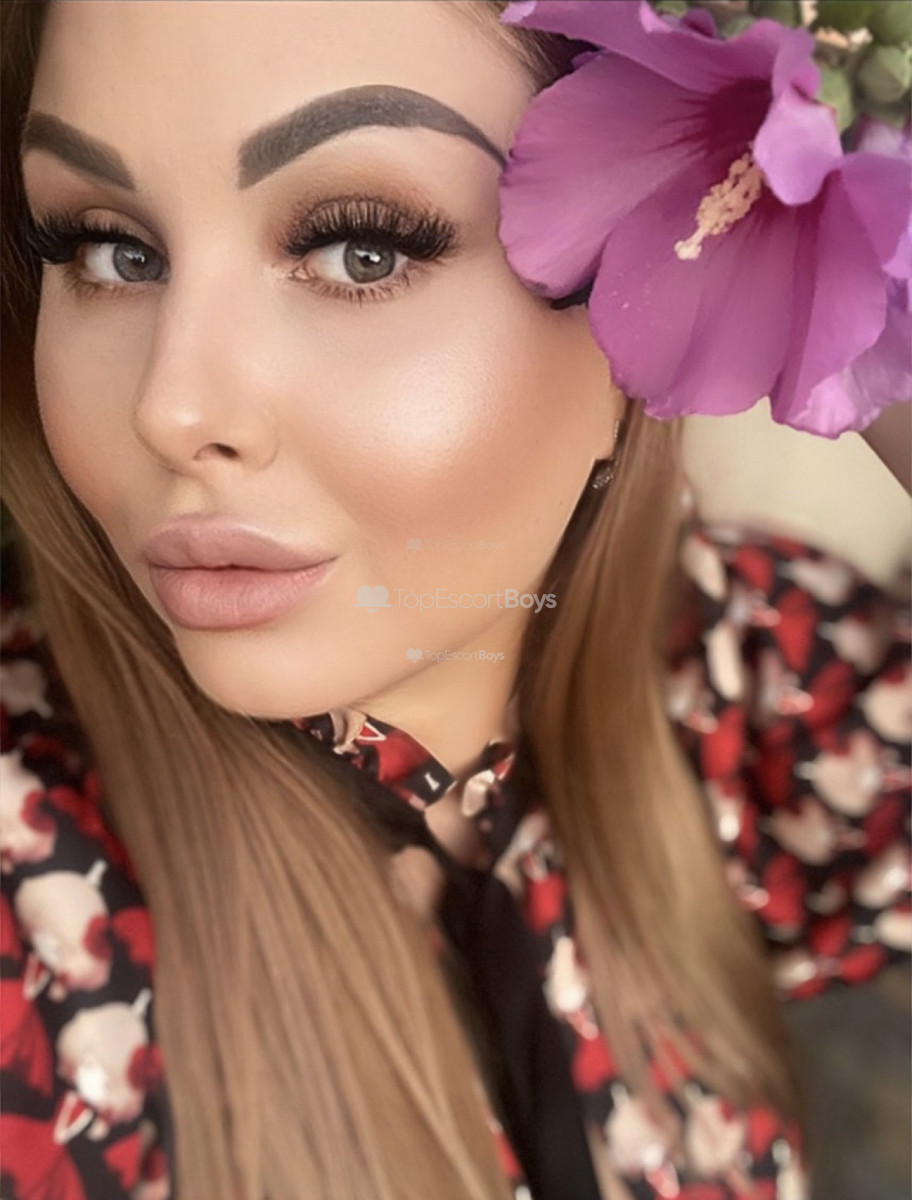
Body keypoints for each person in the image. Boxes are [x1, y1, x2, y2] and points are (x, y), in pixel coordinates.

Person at [0, 2, 908, 1199]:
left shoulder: (732, 670)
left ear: (638, 319)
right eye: (110, 248)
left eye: (360, 249)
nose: (170, 408)